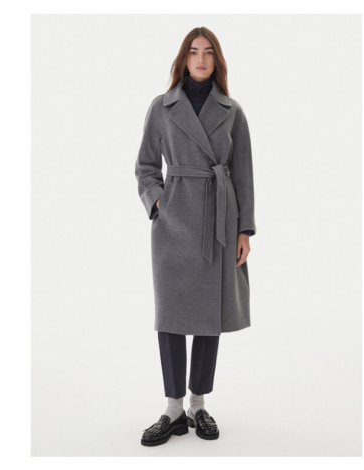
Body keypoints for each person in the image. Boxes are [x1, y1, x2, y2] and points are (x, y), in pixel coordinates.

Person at [135, 27, 256, 447]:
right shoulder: (162, 107)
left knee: (208, 315)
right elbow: (145, 166)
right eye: (193, 52)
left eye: (208, 52)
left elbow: (243, 174)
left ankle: (198, 404)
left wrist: (244, 229)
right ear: (183, 60)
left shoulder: (233, 111)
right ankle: (173, 409)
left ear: (216, 60)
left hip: (219, 222)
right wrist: (159, 204)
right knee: (170, 315)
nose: (200, 59)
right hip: (173, 224)